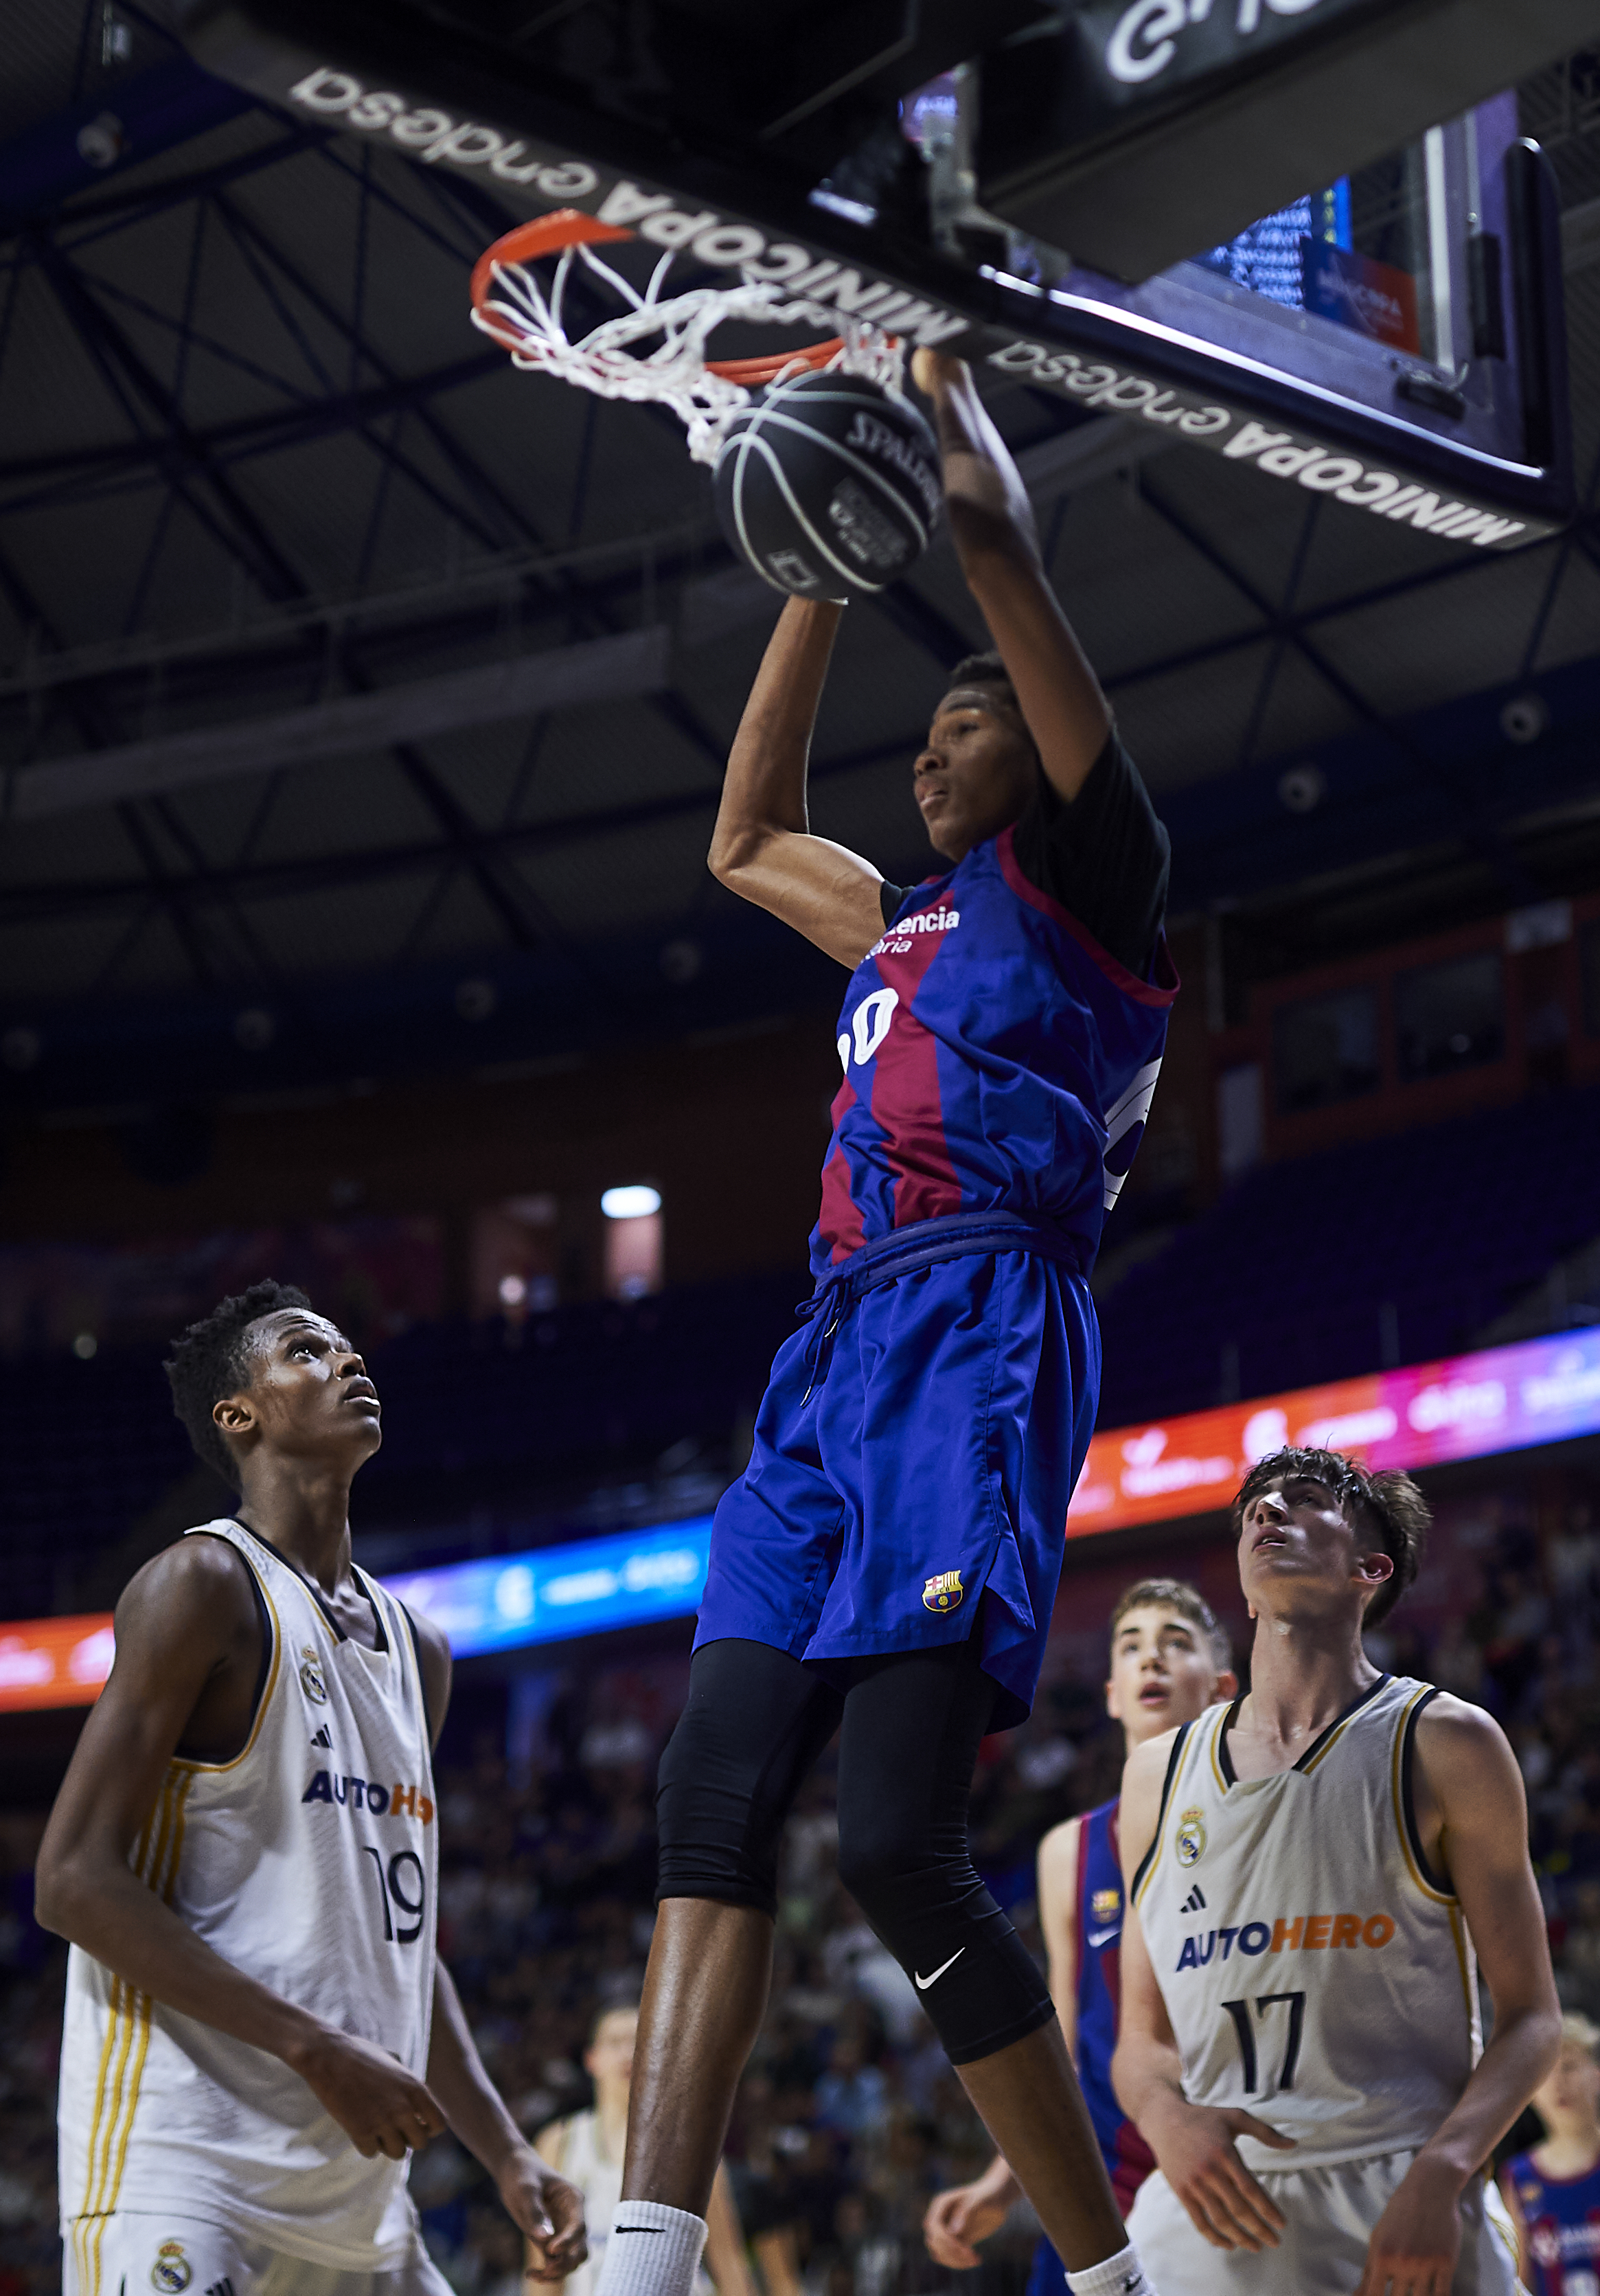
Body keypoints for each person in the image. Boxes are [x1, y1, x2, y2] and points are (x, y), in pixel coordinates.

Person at [593, 348, 1180, 2296]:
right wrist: (817, 567)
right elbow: (741, 836)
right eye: (918, 735)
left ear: (1043, 746)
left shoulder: (1090, 885)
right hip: (828, 1356)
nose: (923, 760)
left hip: (978, 1337)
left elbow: (998, 533)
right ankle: (648, 2255)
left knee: (894, 1842)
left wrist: (922, 376)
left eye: (959, 729)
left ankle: (1108, 2277)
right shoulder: (897, 914)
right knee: (708, 1787)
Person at [36, 1279, 585, 2296]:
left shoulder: (419, 1650)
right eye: (305, 1351)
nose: (348, 1362)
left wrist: (505, 2151)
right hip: (185, 2168)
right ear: (236, 1415)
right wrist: (315, 2047)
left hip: (359, 2208)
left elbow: (403, 1951)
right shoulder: (199, 1586)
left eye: (349, 1349)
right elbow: (69, 1880)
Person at [1114, 1444, 1561, 2296]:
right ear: (1242, 1593)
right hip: (1213, 2200)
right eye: (1254, 1503)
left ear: (1369, 1567)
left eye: (1303, 1498)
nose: (1265, 1511)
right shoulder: (1154, 1772)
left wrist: (1444, 2172)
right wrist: (1165, 2116)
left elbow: (1533, 2017)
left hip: (1400, 2187)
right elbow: (1142, 2039)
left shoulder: (1444, 1738)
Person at [924, 1580, 1237, 2287]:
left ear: (1221, 1688)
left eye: (1174, 1641)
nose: (1149, 1658)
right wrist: (1000, 2183)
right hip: (1101, 2191)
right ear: (1110, 1693)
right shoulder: (1068, 1847)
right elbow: (1062, 2037)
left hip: (1226, 2169)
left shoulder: (1255, 1821)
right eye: (1130, 1646)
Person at [536, 2006, 752, 2296]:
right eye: (615, 2043)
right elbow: (546, 2264)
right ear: (592, 2059)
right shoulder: (559, 2142)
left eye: (640, 2042)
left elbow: (727, 2258)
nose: (628, 2053)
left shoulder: (691, 2142)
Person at [1501, 2013, 1600, 2296]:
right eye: (1546, 2072)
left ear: (1596, 2076)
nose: (1558, 2082)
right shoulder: (1519, 2176)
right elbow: (1520, 2280)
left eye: (1569, 2067)